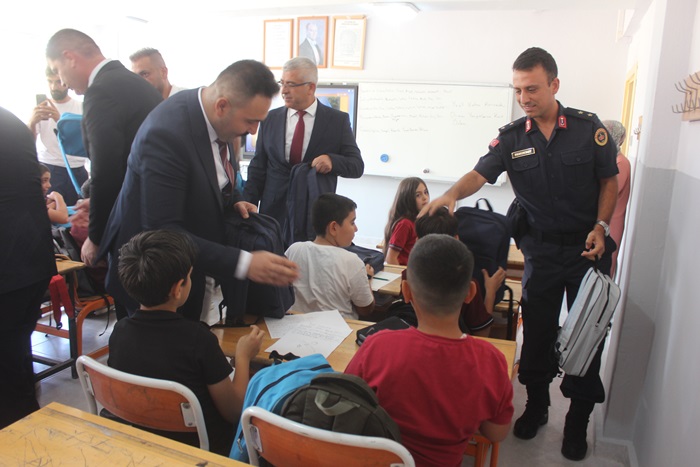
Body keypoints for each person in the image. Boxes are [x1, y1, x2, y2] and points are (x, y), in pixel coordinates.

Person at [422, 47, 618, 461]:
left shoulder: (588, 129)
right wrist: (452, 194)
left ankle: (577, 421)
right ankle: (537, 405)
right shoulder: (512, 137)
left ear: (554, 85)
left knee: (588, 336)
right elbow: (480, 173)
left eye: (532, 89)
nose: (524, 98)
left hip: (587, 249)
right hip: (541, 251)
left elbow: (608, 181)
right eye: (517, 90)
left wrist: (601, 226)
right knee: (538, 333)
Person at [99, 59, 300, 321]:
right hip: (152, 278)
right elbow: (164, 231)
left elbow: (214, 173)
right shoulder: (166, 135)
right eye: (251, 121)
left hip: (192, 264)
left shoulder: (215, 120)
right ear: (222, 106)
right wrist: (245, 263)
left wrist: (233, 199)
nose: (253, 131)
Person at [345, 235, 513, 466]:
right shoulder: (491, 360)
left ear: (406, 291)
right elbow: (496, 433)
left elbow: (346, 403)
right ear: (471, 293)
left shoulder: (377, 346)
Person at [108, 230, 264, 455]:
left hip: (144, 443)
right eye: (190, 276)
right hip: (203, 451)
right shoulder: (199, 340)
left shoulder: (120, 332)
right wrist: (243, 356)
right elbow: (233, 411)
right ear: (177, 288)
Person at [45, 29, 163, 276]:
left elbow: (106, 168)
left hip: (133, 223)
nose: (63, 82)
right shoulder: (136, 84)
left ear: (70, 58)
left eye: (57, 70)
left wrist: (96, 236)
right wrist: (99, 202)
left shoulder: (101, 91)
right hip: (154, 211)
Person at [244, 57, 363, 229]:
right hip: (273, 215)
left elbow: (357, 166)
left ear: (310, 87)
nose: (283, 91)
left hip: (314, 215)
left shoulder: (337, 121)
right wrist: (248, 204)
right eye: (282, 83)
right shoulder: (270, 119)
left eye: (291, 84)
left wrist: (332, 161)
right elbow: (258, 167)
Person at [0, 106, 57, 428]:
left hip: (8, 265)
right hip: (32, 259)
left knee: (9, 365)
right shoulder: (10, 122)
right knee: (16, 356)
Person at [414, 206, 506, 336]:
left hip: (415, 342)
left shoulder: (409, 275)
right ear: (456, 239)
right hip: (454, 345)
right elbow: (482, 334)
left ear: (417, 241)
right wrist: (490, 292)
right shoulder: (465, 283)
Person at [285, 193, 374, 319]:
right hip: (339, 328)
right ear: (333, 228)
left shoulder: (294, 249)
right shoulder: (351, 261)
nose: (356, 229)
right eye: (352, 222)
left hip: (295, 324)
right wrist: (368, 278)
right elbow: (365, 308)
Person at [28, 67, 86, 206]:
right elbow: (28, 144)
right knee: (49, 210)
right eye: (50, 81)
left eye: (58, 81)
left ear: (66, 80)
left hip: (76, 167)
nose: (54, 87)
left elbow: (84, 141)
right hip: (50, 167)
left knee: (78, 211)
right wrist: (32, 123)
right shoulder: (41, 108)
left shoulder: (82, 107)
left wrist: (60, 120)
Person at [602, 120, 631, 278]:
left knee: (603, 272)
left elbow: (605, 193)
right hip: (604, 222)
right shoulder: (610, 160)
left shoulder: (621, 163)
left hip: (611, 224)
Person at [382, 177, 430, 265]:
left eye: (426, 192)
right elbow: (391, 258)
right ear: (407, 199)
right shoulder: (405, 224)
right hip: (405, 271)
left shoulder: (419, 220)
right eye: (418, 195)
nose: (425, 197)